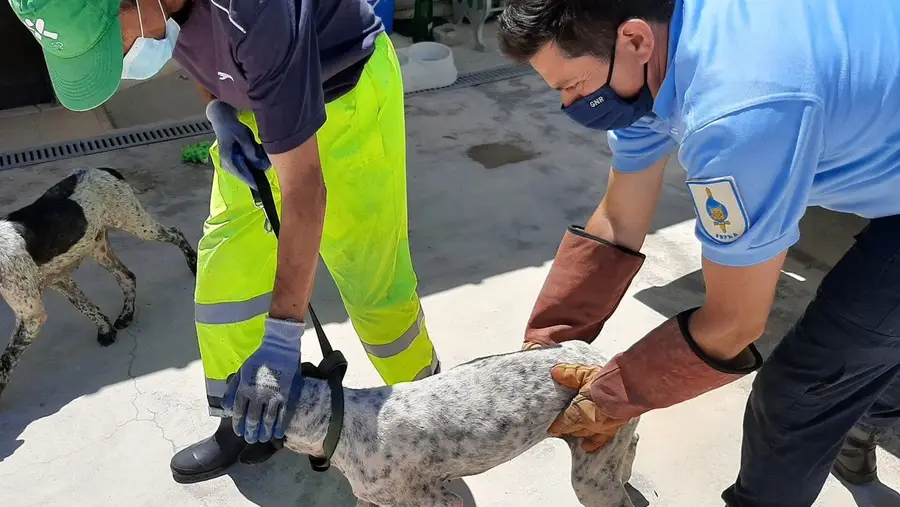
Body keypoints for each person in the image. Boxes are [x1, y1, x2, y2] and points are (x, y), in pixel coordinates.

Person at [7, 0, 442, 483]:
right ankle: (243, 421)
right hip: (257, 97)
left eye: (118, 43)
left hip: (344, 94)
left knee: (371, 281)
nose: (127, 56)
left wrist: (281, 339)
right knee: (225, 274)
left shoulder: (254, 11)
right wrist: (219, 110)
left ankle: (431, 418)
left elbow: (305, 191)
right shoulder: (159, 10)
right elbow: (198, 50)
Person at [497, 0, 900, 505]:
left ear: (636, 40)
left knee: (799, 394)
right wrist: (546, 345)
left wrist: (608, 399)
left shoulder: (737, 116)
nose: (570, 105)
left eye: (573, 86)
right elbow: (621, 217)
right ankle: (870, 417)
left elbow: (733, 323)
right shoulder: (653, 53)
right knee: (866, 346)